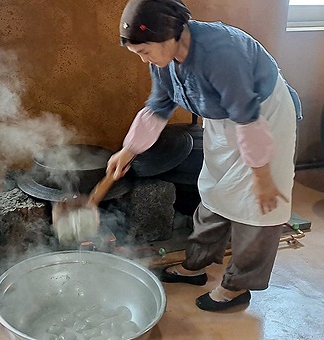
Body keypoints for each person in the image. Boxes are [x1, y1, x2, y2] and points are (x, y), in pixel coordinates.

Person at [107, 0, 302, 311]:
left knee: (259, 207)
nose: (144, 61)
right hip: (224, 120)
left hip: (261, 118)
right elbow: (159, 105)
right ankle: (195, 265)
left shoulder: (221, 54)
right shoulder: (164, 60)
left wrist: (263, 176)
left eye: (144, 52)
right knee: (214, 191)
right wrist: (128, 150)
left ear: (169, 36)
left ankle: (237, 287)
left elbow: (247, 118)